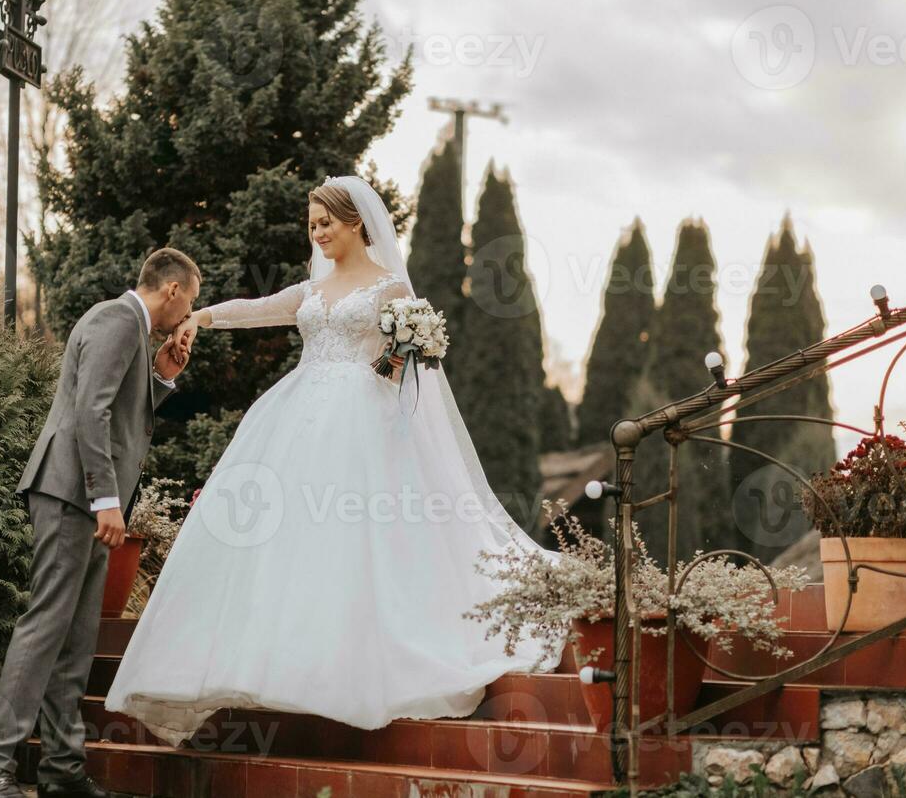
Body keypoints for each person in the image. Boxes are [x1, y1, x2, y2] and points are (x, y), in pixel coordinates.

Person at [103, 175, 562, 747]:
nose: (317, 232)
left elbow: (409, 365)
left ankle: (353, 664)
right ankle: (268, 664)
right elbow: (261, 308)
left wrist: (400, 361)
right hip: (296, 415)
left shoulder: (391, 290)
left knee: (352, 538)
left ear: (356, 224)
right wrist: (203, 318)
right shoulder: (313, 290)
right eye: (312, 223)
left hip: (363, 424)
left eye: (325, 222)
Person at [0, 249, 200, 798]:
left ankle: (62, 772)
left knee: (77, 640)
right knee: (45, 626)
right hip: (71, 495)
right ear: (171, 290)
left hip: (91, 502)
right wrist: (105, 500)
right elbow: (88, 413)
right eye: (191, 301)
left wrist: (162, 379)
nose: (190, 313)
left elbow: (115, 411)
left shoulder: (134, 333)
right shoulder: (115, 319)